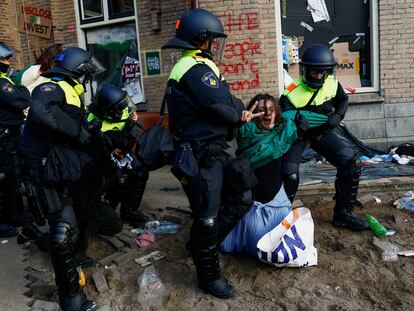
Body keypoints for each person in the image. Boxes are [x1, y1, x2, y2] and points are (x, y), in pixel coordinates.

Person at [162, 8, 262, 299]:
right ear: (200, 39)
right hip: (199, 155)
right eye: (212, 41)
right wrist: (234, 113)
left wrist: (234, 110)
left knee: (241, 197)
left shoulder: (201, 66)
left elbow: (232, 101)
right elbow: (224, 106)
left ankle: (200, 246)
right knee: (206, 216)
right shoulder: (194, 69)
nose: (216, 46)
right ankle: (208, 276)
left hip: (215, 152)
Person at [20, 47, 105, 311]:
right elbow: (43, 111)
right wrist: (78, 132)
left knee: (74, 220)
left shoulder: (70, 90)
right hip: (43, 170)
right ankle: (71, 299)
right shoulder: (51, 87)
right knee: (62, 232)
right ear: (77, 72)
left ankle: (72, 263)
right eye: (85, 74)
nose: (87, 80)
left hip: (57, 167)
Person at [279, 43, 368, 230]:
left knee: (350, 162)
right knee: (290, 175)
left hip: (321, 133)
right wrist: (295, 119)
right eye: (314, 72)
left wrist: (339, 115)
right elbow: (280, 118)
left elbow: (343, 100)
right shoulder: (291, 91)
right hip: (298, 136)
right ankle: (279, 217)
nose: (318, 75)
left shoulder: (332, 84)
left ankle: (343, 214)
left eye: (322, 72)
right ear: (306, 70)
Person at [220, 93, 309, 256]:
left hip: (278, 202)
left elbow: (306, 125)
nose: (267, 114)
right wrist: (239, 123)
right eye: (261, 110)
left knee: (281, 244)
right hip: (252, 206)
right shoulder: (247, 130)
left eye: (270, 110)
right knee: (258, 247)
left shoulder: (283, 130)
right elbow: (231, 133)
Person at [87, 83, 150, 229]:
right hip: (102, 158)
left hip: (123, 150)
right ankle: (109, 209)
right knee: (119, 178)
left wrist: (133, 125)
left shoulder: (123, 109)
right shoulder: (93, 122)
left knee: (140, 169)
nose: (124, 109)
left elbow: (131, 135)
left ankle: (130, 211)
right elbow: (98, 147)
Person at [0, 42, 30, 238]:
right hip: (4, 137)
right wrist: (22, 88)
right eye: (4, 58)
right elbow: (21, 100)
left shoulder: (4, 79)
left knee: (13, 177)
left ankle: (15, 215)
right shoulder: (1, 82)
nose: (8, 61)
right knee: (4, 180)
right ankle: (3, 222)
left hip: (10, 135)